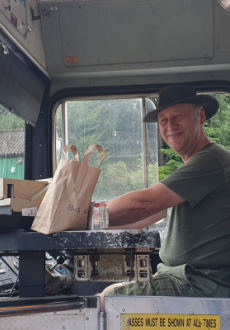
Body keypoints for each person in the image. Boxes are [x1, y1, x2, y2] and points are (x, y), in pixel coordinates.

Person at [97, 85, 230, 307]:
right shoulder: (195, 166)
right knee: (111, 290)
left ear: (201, 116)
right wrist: (94, 225)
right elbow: (149, 215)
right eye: (163, 120)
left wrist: (85, 215)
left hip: (199, 285)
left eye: (178, 116)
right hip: (186, 280)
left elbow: (144, 205)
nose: (170, 126)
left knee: (100, 304)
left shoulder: (212, 160)